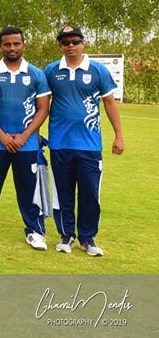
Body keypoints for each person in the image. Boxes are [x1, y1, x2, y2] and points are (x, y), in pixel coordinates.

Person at [44, 25, 123, 256]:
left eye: (75, 41)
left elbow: (110, 103)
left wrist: (118, 135)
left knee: (89, 193)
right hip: (60, 143)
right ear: (60, 45)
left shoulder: (98, 70)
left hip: (89, 145)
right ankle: (66, 235)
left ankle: (88, 238)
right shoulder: (51, 71)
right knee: (63, 192)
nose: (71, 46)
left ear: (82, 43)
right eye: (65, 42)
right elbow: (42, 105)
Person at [0, 26, 51, 250]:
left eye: (16, 44)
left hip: (27, 144)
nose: (12, 48)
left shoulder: (37, 74)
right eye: (7, 44)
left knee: (29, 188)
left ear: (24, 45)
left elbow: (43, 109)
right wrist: (2, 136)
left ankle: (35, 231)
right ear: (0, 46)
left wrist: (24, 136)